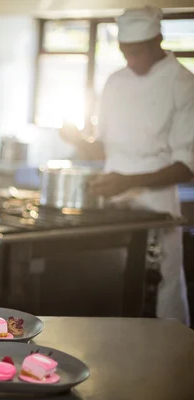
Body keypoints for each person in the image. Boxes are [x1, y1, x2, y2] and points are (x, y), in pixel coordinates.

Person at [61, 6, 193, 326]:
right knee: (113, 285)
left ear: (158, 40)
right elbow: (103, 148)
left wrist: (128, 181)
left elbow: (186, 167)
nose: (131, 60)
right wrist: (77, 139)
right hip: (113, 204)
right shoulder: (116, 81)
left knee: (158, 288)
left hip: (157, 207)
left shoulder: (183, 83)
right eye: (125, 52)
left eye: (138, 52)